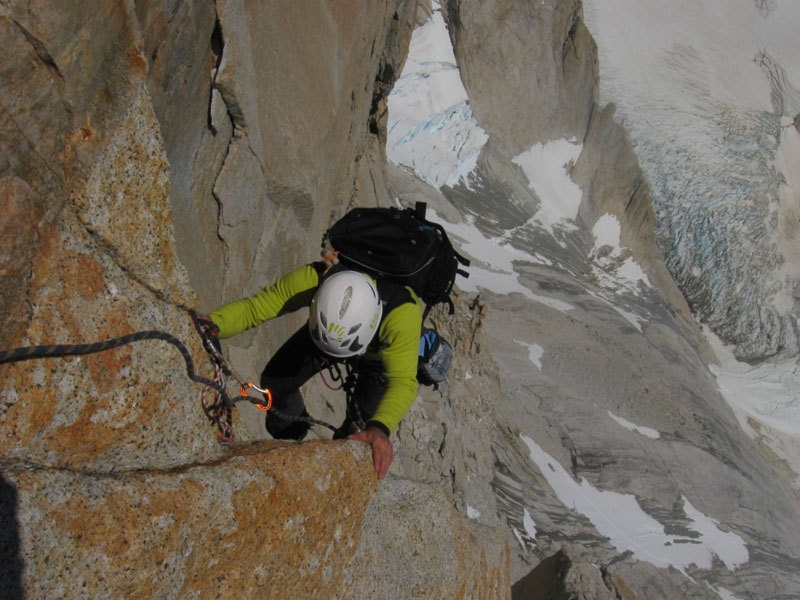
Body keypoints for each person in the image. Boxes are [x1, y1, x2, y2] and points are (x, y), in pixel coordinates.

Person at [206, 261, 424, 479]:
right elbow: (258, 307)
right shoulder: (317, 278)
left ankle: (334, 471)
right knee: (277, 382)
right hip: (325, 337)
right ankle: (292, 436)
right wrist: (214, 323)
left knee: (359, 434)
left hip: (380, 358)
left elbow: (403, 381)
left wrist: (379, 429)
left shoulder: (402, 314)